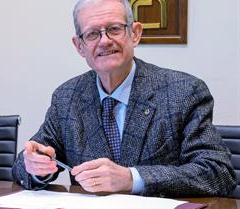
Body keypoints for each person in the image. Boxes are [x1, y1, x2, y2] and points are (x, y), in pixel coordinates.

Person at [12, 0, 236, 197]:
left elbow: (218, 172)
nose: (104, 41)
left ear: (135, 33)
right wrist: (34, 166)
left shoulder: (184, 92)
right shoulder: (67, 97)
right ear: (79, 46)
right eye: (92, 34)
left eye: (114, 29)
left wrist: (132, 179)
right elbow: (22, 165)